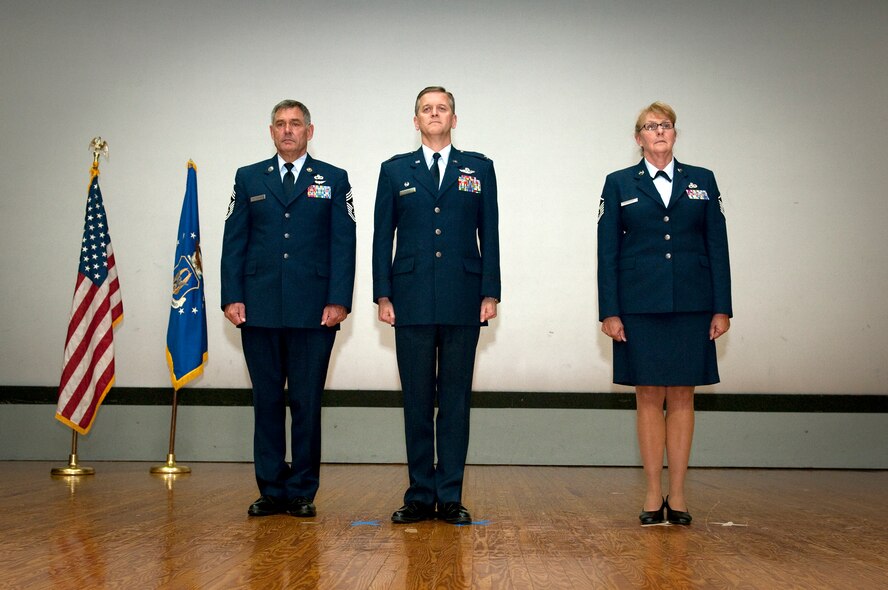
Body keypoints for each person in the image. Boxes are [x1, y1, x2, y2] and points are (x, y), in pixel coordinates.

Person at [597, 101, 732, 526]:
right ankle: (654, 494)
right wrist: (610, 310)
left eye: (666, 125)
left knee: (683, 396)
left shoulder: (702, 181)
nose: (659, 131)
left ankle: (679, 495)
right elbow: (607, 253)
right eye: (650, 126)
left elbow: (718, 247)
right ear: (638, 138)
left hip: (693, 304)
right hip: (639, 306)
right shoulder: (619, 183)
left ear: (675, 134)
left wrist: (722, 307)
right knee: (648, 397)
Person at [221, 99, 356, 517]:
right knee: (265, 401)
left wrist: (338, 300)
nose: (287, 131)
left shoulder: (333, 178)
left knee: (305, 401)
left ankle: (301, 491)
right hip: (258, 308)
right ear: (271, 131)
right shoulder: (248, 178)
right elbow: (234, 240)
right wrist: (231, 296)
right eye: (280, 124)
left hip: (314, 311)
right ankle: (271, 489)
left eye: (295, 124)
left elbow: (343, 243)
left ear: (309, 131)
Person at [372, 86, 501, 525]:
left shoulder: (479, 168)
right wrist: (382, 293)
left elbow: (491, 233)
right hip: (409, 299)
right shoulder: (394, 171)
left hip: (464, 297)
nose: (434, 114)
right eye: (426, 109)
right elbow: (380, 237)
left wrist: (490, 291)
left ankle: (449, 495)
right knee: (416, 400)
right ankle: (419, 495)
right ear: (415, 121)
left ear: (454, 118)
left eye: (441, 108)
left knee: (455, 401)